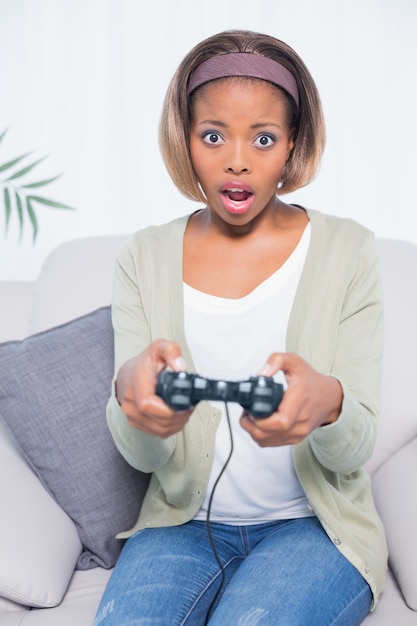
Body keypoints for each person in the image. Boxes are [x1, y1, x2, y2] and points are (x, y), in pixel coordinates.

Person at [94, 29, 388, 625]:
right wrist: (133, 401)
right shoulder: (143, 257)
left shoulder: (348, 252)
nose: (236, 160)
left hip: (313, 530)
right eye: (212, 136)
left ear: (292, 146)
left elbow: (355, 447)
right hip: (178, 526)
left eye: (263, 137)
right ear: (186, 139)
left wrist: (329, 403)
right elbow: (143, 456)